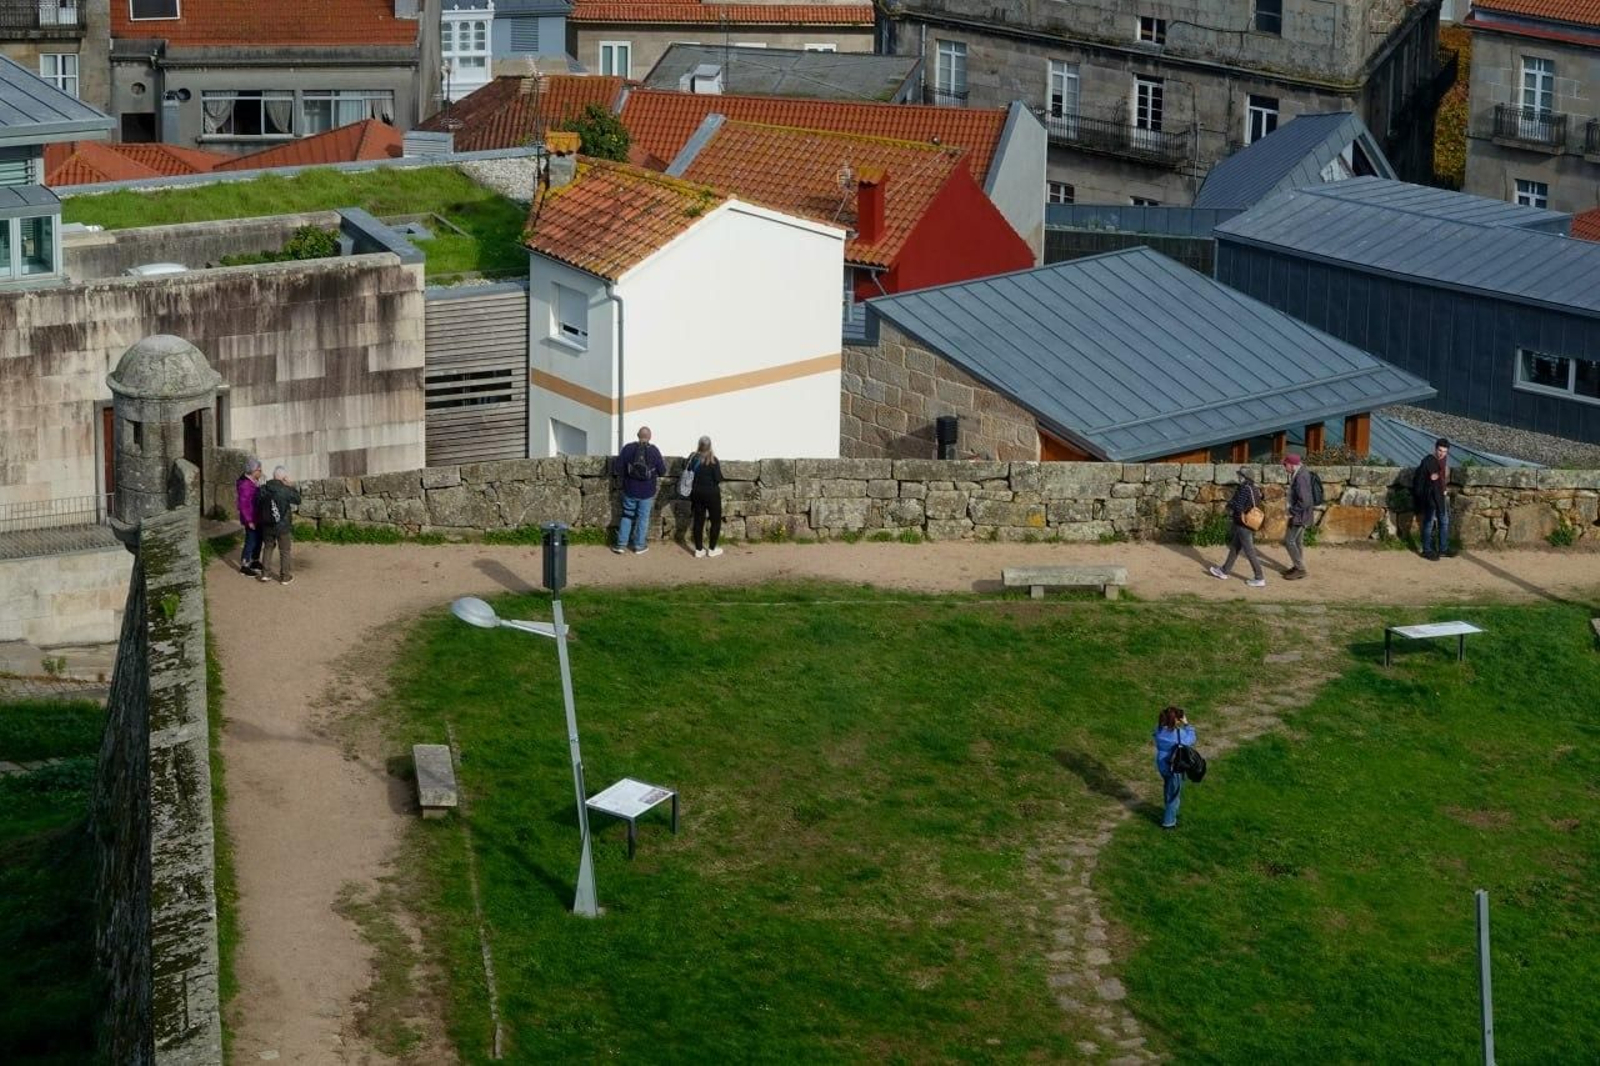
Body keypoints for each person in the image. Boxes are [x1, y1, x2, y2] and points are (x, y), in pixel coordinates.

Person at [1207, 468, 1267, 587]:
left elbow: (1238, 506)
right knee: (1234, 548)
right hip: (1249, 523)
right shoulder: (1254, 488)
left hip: (1243, 523)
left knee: (1249, 551)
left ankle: (1259, 577)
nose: (1239, 477)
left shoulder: (1244, 488)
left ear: (1245, 477)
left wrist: (1230, 504)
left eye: (1240, 475)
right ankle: (1224, 571)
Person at [613, 426, 665, 555]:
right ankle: (639, 546)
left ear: (637, 435)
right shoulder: (654, 451)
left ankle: (621, 545)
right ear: (650, 437)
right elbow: (662, 471)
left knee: (627, 515)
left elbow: (618, 468)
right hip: (647, 491)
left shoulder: (628, 448)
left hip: (630, 489)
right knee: (643, 518)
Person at [1153, 706, 1197, 830]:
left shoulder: (1158, 730)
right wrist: (1187, 724)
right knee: (1174, 794)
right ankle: (1169, 823)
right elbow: (1191, 739)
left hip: (1162, 763)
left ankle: (1169, 811)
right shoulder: (1177, 734)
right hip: (1174, 766)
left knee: (1168, 787)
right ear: (1175, 720)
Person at [256, 466, 301, 585]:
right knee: (284, 550)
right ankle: (285, 577)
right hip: (283, 526)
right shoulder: (285, 490)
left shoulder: (263, 488)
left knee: (268, 547)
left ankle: (265, 574)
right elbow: (298, 500)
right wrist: (291, 486)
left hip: (267, 524)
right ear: (284, 477)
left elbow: (257, 503)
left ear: (273, 476)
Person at [1414, 438, 1451, 561]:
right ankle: (1427, 550)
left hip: (1441, 496)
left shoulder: (1443, 460)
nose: (1442, 454)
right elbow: (1419, 481)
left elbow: (1442, 478)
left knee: (1444, 522)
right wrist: (1429, 481)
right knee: (1429, 523)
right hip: (1430, 497)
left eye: (1444, 451)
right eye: (1440, 450)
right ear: (1435, 448)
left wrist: (1443, 489)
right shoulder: (1427, 461)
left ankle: (1443, 549)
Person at [686, 435, 724, 558]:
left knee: (698, 521)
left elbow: (687, 470)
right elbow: (718, 478)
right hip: (712, 494)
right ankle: (712, 549)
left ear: (699, 445)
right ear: (710, 446)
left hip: (696, 493)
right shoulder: (714, 460)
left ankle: (699, 550)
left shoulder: (693, 458)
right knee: (715, 521)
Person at [1282, 453, 1313, 581]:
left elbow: (1304, 501)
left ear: (1292, 465)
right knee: (1297, 541)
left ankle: (1300, 569)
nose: (1284, 467)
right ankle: (1297, 566)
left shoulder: (1300, 477)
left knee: (1289, 541)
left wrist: (1292, 511)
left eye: (1285, 464)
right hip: (1303, 514)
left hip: (1299, 515)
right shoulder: (1301, 473)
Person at [236, 457, 265, 577]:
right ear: (253, 471)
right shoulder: (245, 485)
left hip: (257, 516)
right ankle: (245, 565)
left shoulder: (254, 481)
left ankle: (254, 561)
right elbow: (243, 505)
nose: (261, 472)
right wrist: (249, 520)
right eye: (259, 470)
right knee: (251, 541)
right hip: (251, 518)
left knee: (258, 539)